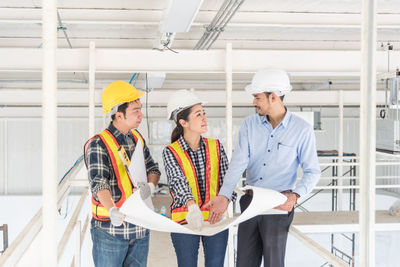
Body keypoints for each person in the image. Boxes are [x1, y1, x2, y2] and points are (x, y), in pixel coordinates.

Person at [205, 69, 321, 267]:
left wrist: (295, 196)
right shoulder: (249, 125)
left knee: (273, 263)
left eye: (257, 97)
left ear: (273, 97)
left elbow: (313, 171)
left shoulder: (302, 130)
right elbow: (238, 164)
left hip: (278, 204)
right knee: (244, 262)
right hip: (250, 203)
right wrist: (225, 196)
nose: (254, 102)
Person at [84, 80, 160, 267]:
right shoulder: (98, 144)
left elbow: (153, 169)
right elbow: (98, 182)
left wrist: (150, 186)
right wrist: (112, 210)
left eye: (140, 109)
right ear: (119, 115)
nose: (141, 115)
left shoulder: (137, 138)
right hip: (111, 230)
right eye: (135, 111)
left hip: (140, 228)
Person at [162, 90, 236, 267]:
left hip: (215, 219)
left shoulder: (216, 146)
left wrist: (226, 200)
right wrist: (191, 206)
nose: (204, 118)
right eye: (198, 114)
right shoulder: (171, 151)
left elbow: (228, 180)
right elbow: (177, 180)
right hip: (185, 220)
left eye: (204, 113)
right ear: (183, 122)